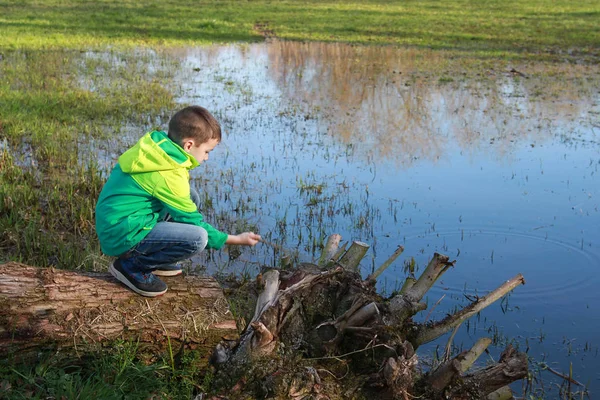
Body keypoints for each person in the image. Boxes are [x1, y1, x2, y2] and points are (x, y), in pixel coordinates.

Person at [95, 106, 261, 297]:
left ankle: (151, 256)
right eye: (207, 151)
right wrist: (235, 239)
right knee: (198, 238)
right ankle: (132, 266)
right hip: (121, 234)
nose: (206, 158)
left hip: (119, 222)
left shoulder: (159, 150)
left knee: (191, 196)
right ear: (189, 145)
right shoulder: (169, 175)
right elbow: (195, 223)